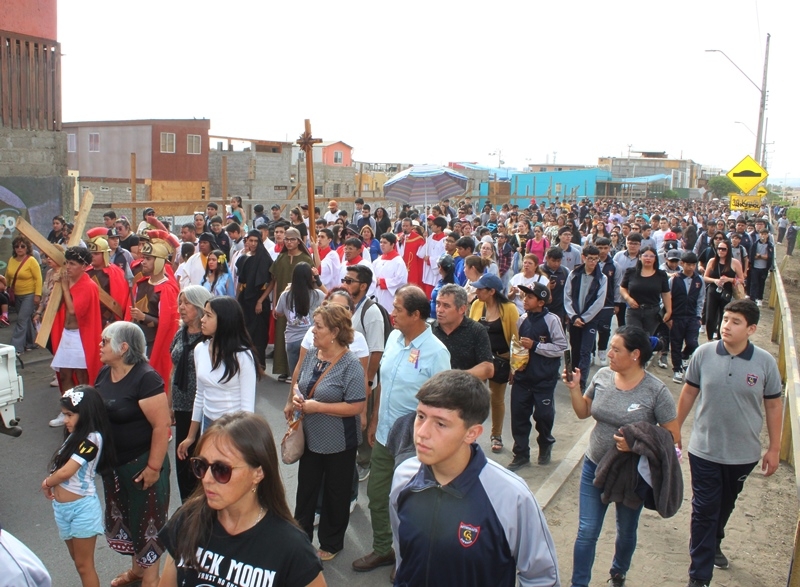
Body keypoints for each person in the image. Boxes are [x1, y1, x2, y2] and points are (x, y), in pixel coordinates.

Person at [389, 370, 561, 586]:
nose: (422, 432)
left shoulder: (511, 496)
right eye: (421, 416)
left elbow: (542, 577)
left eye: (440, 423)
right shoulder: (404, 477)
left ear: (472, 433)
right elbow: (403, 554)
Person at [564, 326, 679, 587]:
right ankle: (578, 583)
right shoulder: (603, 376)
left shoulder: (656, 392)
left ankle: (618, 571)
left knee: (626, 530)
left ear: (635, 354)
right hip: (594, 465)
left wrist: (636, 444)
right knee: (586, 531)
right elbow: (584, 412)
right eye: (611, 349)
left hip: (631, 474)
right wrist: (574, 388)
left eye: (616, 350)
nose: (610, 355)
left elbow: (671, 435)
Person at [677, 299, 781, 587]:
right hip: (704, 449)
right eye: (725, 319)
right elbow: (688, 393)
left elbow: (773, 406)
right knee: (704, 509)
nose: (726, 326)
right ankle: (699, 576)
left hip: (742, 453)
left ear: (751, 329)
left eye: (736, 322)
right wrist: (674, 429)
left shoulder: (765, 363)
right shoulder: (703, 353)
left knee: (724, 506)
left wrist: (773, 448)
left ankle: (715, 541)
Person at [159, 412, 326, 587]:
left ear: (258, 473)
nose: (206, 479)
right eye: (201, 465)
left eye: (221, 469)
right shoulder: (188, 518)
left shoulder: (291, 547)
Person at [352, 285, 450, 574]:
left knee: (413, 504)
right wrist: (374, 420)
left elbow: (443, 404)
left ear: (416, 315)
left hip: (417, 443)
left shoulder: (436, 353)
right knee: (378, 495)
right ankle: (383, 549)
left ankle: (409, 557)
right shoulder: (394, 337)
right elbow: (383, 381)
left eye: (397, 309)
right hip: (384, 435)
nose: (391, 314)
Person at [95, 321, 171, 587]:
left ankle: (151, 580)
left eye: (105, 341)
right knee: (129, 521)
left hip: (142, 465)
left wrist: (153, 467)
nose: (100, 346)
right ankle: (137, 572)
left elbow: (161, 426)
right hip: (114, 467)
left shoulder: (146, 378)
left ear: (123, 347)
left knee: (147, 523)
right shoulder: (105, 374)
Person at [290, 304, 366, 561]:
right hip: (311, 437)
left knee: (336, 492)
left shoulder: (350, 364)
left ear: (334, 331)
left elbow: (357, 405)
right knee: (306, 490)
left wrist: (317, 406)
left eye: (318, 326)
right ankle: (300, 540)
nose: (312, 330)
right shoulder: (312, 354)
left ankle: (331, 543)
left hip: (339, 441)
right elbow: (300, 382)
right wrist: (296, 401)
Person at [41, 386, 113, 587]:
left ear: (86, 413)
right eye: (64, 415)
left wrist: (47, 483)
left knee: (84, 565)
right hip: (62, 509)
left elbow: (67, 471)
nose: (65, 420)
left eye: (70, 415)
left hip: (82, 509)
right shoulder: (74, 435)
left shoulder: (92, 438)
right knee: (78, 562)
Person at [177, 297, 261, 460]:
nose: (202, 319)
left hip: (233, 429)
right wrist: (191, 436)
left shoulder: (242, 356)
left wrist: (240, 442)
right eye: (204, 314)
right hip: (207, 426)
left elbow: (247, 408)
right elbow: (200, 395)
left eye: (208, 315)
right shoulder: (199, 350)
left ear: (224, 321)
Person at [508, 283, 568, 470]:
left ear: (541, 302)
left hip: (544, 380)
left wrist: (536, 346)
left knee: (543, 416)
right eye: (524, 296)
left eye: (529, 297)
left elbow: (561, 347)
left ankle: (545, 443)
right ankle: (521, 453)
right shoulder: (522, 319)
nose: (524, 300)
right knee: (518, 417)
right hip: (523, 379)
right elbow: (518, 348)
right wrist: (514, 369)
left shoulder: (552, 320)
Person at [49, 247, 103, 427]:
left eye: (72, 264)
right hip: (67, 335)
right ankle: (67, 409)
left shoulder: (88, 285)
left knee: (82, 377)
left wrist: (64, 287)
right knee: (64, 375)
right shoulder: (65, 281)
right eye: (67, 263)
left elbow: (73, 310)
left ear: (84, 266)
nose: (68, 267)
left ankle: (84, 412)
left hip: (81, 337)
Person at [169, 285, 213, 502]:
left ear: (198, 305)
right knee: (183, 461)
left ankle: (203, 505)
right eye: (180, 303)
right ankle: (188, 506)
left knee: (201, 460)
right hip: (181, 405)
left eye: (186, 303)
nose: (181, 308)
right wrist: (169, 405)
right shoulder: (180, 333)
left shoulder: (210, 339)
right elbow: (173, 369)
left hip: (202, 408)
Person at [468, 274, 520, 454]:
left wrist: (515, 366)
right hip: (479, 362)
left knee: (497, 400)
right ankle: (471, 433)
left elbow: (516, 340)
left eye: (481, 289)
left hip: (501, 361)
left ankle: (496, 434)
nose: (477, 291)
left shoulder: (510, 309)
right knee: (475, 399)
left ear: (492, 291)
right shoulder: (476, 305)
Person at [129, 232, 180, 393]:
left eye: (148, 259)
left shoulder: (167, 289)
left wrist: (143, 317)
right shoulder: (141, 283)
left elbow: (167, 324)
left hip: (154, 344)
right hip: (138, 343)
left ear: (158, 262)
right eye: (143, 257)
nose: (143, 261)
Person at [271, 227, 314, 382]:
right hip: (283, 303)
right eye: (287, 239)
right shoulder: (281, 259)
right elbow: (275, 281)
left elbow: (312, 283)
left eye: (292, 239)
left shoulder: (306, 260)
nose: (289, 242)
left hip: (301, 304)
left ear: (299, 241)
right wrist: (275, 302)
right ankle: (283, 369)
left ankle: (297, 374)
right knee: (282, 335)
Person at [564, 245, 608, 391]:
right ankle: (572, 377)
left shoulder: (602, 278)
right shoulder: (574, 274)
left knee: (585, 351)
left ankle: (582, 382)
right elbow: (567, 296)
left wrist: (585, 318)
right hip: (574, 318)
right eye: (590, 258)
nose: (593, 262)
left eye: (596, 259)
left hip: (590, 320)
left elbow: (599, 302)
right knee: (574, 349)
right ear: (584, 257)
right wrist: (574, 316)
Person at [432, 284, 494, 380]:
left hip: (465, 392)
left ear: (462, 309)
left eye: (446, 306)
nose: (439, 310)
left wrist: (452, 378)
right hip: (434, 392)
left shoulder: (476, 331)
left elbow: (488, 368)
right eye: (438, 304)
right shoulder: (430, 330)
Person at [275, 262, 326, 378]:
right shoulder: (317, 295)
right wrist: (318, 280)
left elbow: (278, 312)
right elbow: (331, 297)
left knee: (295, 376)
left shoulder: (285, 295)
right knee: (309, 377)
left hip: (291, 339)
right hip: (310, 339)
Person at [235, 230, 273, 369]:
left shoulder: (265, 258)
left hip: (259, 297)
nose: (253, 243)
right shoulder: (243, 258)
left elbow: (272, 281)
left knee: (259, 332)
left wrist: (261, 301)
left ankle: (260, 362)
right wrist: (236, 298)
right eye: (250, 240)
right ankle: (247, 362)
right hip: (245, 298)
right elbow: (240, 280)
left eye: (256, 241)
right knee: (245, 330)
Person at [667, 252, 704, 384]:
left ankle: (685, 356)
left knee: (693, 343)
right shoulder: (674, 279)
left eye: (693, 265)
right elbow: (667, 298)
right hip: (677, 316)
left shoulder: (699, 280)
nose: (690, 267)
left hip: (692, 317)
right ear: (682, 264)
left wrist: (699, 317)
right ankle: (677, 369)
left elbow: (701, 299)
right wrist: (668, 316)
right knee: (676, 343)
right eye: (688, 264)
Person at [620, 246, 671, 336]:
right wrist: (628, 298)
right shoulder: (631, 272)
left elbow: (665, 294)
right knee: (633, 337)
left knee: (646, 339)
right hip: (633, 311)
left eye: (652, 256)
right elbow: (622, 287)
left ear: (655, 258)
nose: (648, 258)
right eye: (645, 256)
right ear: (640, 257)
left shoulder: (661, 275)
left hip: (652, 312)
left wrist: (669, 311)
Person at [85, 228, 130, 326]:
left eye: (96, 254)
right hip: (87, 318)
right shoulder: (86, 272)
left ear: (105, 254)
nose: (92, 256)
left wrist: (112, 320)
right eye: (91, 253)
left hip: (106, 321)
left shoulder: (115, 273)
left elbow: (120, 301)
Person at [6, 235, 41, 356]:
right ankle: (30, 343)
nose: (19, 249)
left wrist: (37, 295)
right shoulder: (11, 259)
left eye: (22, 246)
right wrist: (6, 288)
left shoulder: (31, 260)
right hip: (16, 294)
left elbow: (38, 279)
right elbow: (8, 276)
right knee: (25, 320)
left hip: (29, 294)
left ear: (27, 248)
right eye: (16, 246)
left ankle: (16, 347)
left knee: (21, 320)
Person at [703, 238, 744, 340]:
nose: (721, 251)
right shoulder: (712, 261)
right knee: (710, 316)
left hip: (727, 291)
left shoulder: (734, 263)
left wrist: (729, 279)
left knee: (724, 315)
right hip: (713, 290)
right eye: (719, 249)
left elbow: (742, 279)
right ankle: (709, 337)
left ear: (728, 250)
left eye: (723, 249)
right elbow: (705, 277)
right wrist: (715, 280)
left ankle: (720, 337)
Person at [372, 233, 408, 313]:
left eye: (385, 243)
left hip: (390, 296)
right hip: (378, 294)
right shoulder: (377, 261)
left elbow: (401, 281)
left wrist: (383, 282)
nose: (382, 245)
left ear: (392, 244)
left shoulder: (398, 261)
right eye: (381, 242)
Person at [748, 228, 773, 307]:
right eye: (762, 234)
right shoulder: (755, 244)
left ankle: (759, 298)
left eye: (765, 234)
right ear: (759, 235)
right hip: (755, 267)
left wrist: (760, 256)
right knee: (754, 283)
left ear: (767, 235)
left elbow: (769, 257)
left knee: (761, 283)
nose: (763, 236)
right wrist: (761, 257)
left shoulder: (769, 245)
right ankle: (752, 298)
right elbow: (752, 256)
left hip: (764, 268)